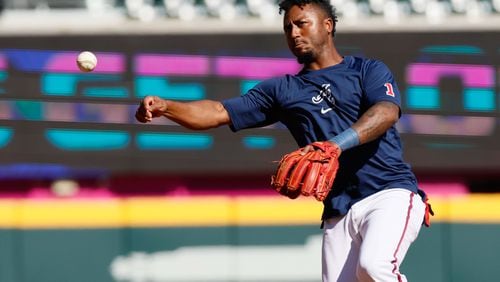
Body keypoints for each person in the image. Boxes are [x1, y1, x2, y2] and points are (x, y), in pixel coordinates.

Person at [135, 0, 432, 281]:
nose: (294, 33)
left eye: (302, 24)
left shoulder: (367, 70)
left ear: (327, 25)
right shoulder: (283, 90)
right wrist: (167, 106)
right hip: (339, 209)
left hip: (389, 192)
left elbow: (386, 113)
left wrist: (335, 145)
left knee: (374, 265)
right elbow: (217, 112)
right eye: (288, 28)